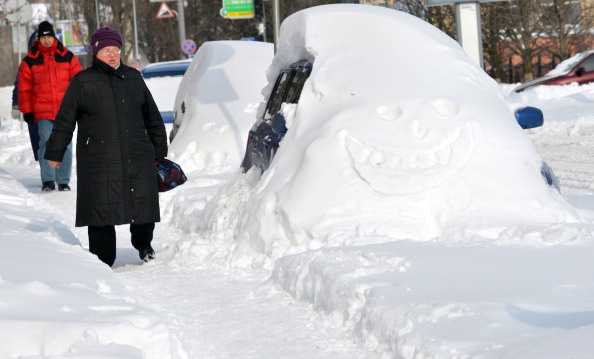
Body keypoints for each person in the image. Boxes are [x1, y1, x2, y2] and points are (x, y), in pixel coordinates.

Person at [44, 27, 168, 267]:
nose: (112, 55)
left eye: (116, 50)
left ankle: (144, 245)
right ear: (95, 52)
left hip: (137, 152)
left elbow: (152, 117)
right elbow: (65, 119)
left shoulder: (133, 77)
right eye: (106, 51)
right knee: (100, 207)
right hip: (99, 156)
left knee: (142, 201)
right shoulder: (82, 81)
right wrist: (55, 151)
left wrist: (159, 150)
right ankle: (102, 259)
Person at [18, 21, 82, 191]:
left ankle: (63, 180)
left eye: (49, 37)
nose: (46, 40)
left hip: (65, 110)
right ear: (39, 39)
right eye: (43, 37)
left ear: (54, 37)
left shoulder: (68, 57)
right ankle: (48, 179)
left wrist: (80, 105)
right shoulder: (30, 61)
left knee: (66, 144)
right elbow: (24, 89)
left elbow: (79, 84)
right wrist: (27, 110)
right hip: (43, 111)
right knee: (46, 140)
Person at [12, 30, 40, 161]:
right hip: (33, 110)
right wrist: (16, 104)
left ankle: (56, 172)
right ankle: (47, 174)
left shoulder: (57, 61)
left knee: (55, 141)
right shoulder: (27, 63)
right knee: (39, 142)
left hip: (53, 108)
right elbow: (19, 85)